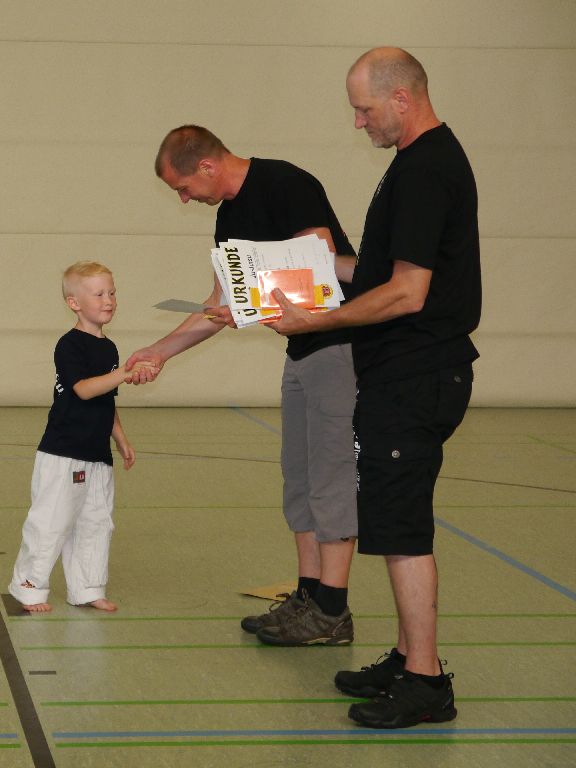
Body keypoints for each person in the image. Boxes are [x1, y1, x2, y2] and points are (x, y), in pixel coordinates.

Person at [270, 47, 480, 728]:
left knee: (403, 531)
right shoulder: (415, 164)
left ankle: (426, 682)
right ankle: (408, 656)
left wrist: (318, 319)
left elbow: (407, 293)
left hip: (417, 375)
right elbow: (378, 270)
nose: (358, 123)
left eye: (363, 110)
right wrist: (300, 263)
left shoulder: (426, 171)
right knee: (392, 524)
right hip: (402, 375)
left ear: (401, 99)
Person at [126, 125, 359, 646]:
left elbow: (319, 266)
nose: (185, 198)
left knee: (331, 477)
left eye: (183, 187)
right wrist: (159, 351)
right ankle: (308, 595)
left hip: (339, 347)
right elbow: (219, 303)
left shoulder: (286, 184)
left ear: (207, 166)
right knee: (299, 478)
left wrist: (252, 303)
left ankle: (333, 610)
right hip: (300, 351)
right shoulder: (228, 217)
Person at [8, 261, 157, 613]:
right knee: (51, 521)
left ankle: (88, 587)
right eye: (99, 294)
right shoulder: (69, 345)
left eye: (112, 293)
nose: (109, 300)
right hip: (63, 452)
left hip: (97, 454)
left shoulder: (110, 348)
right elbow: (84, 390)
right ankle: (28, 586)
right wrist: (124, 373)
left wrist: (121, 438)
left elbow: (106, 400)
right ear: (74, 303)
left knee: (96, 522)